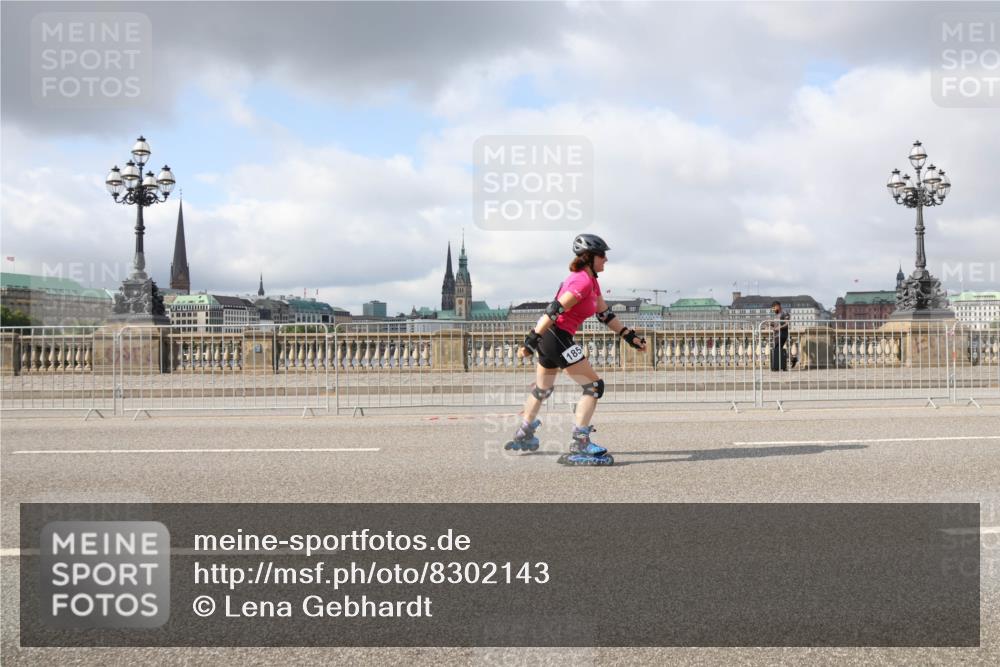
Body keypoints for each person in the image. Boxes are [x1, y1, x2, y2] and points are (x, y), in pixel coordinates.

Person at [504, 234, 648, 466]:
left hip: (552, 338)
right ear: (589, 257)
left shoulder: (592, 281)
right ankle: (580, 442)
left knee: (542, 389)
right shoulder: (581, 281)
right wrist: (531, 339)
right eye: (602, 255)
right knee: (593, 386)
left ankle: (525, 432)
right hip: (556, 337)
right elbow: (554, 309)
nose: (606, 259)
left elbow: (605, 314)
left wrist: (629, 336)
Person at [769, 300, 791, 371]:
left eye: (774, 308)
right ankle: (780, 366)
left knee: (778, 350)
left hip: (782, 334)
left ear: (777, 306)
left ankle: (779, 366)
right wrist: (770, 324)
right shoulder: (777, 314)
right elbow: (776, 324)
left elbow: (787, 324)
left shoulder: (785, 313)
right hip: (776, 335)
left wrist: (779, 328)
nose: (773, 310)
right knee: (777, 350)